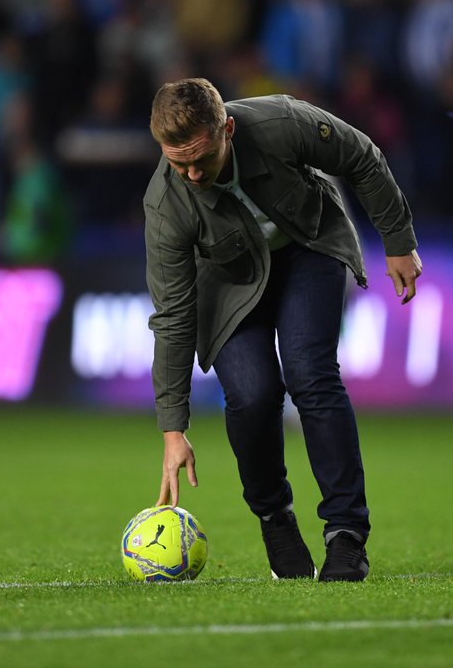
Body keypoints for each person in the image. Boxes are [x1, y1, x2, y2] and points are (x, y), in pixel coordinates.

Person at [144, 78, 421, 582]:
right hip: (228, 284)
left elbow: (362, 155)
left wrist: (397, 240)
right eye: (176, 162)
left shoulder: (280, 122)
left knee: (310, 372)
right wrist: (173, 427)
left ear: (227, 129)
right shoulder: (166, 203)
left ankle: (346, 535)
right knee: (251, 396)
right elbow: (173, 315)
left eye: (199, 159)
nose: (189, 173)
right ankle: (275, 520)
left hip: (307, 248)